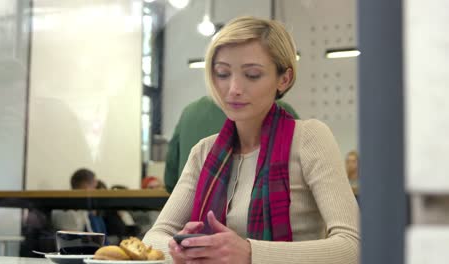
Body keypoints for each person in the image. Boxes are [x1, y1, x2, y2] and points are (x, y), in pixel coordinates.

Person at [143, 16, 359, 264]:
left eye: (252, 75)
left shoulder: (310, 139)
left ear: (284, 79)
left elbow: (352, 246)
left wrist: (249, 253)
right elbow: (152, 239)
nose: (233, 88)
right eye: (222, 73)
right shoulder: (204, 151)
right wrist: (184, 250)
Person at [164, 96, 299, 193]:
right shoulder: (280, 111)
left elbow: (170, 180)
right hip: (253, 219)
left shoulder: (190, 112)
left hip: (191, 215)